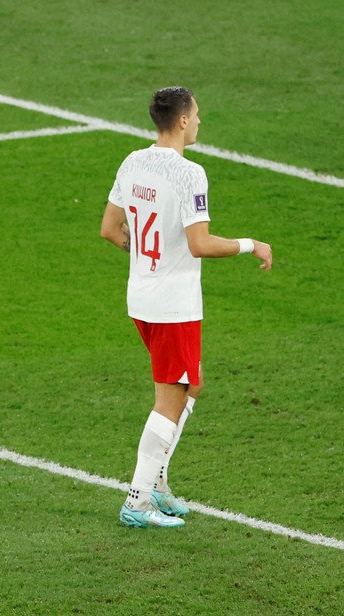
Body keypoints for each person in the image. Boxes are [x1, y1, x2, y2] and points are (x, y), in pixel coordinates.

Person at [100, 86, 272, 529]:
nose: (198, 122)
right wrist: (251, 245)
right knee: (169, 400)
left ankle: (157, 483)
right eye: (196, 115)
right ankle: (138, 501)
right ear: (180, 121)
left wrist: (145, 259)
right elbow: (199, 244)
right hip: (173, 306)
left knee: (192, 383)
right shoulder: (189, 173)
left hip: (140, 297)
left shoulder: (131, 161)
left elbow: (109, 229)